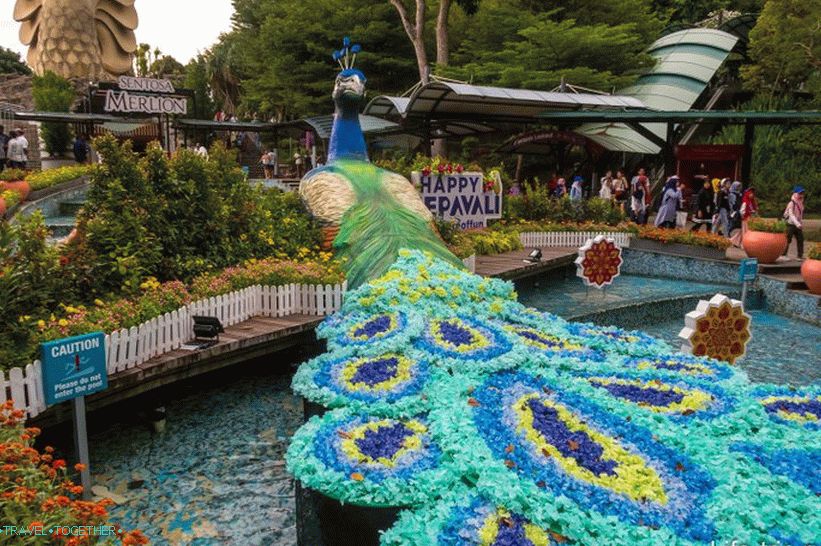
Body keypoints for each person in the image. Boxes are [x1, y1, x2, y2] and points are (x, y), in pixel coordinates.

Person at [783, 186, 805, 259]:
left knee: (800, 239)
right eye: (800, 193)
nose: (801, 195)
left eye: (802, 193)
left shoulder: (801, 203)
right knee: (787, 239)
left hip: (797, 224)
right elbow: (791, 215)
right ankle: (783, 255)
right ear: (795, 193)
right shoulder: (791, 203)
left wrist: (800, 223)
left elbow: (800, 214)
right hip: (790, 224)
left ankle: (800, 256)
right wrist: (797, 224)